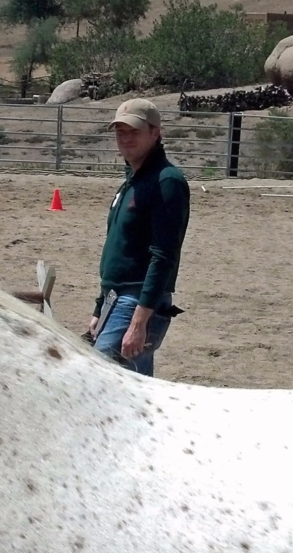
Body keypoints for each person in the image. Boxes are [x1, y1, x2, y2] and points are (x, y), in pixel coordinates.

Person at [87, 98, 190, 377]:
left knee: (100, 378)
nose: (126, 138)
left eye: (134, 131)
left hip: (136, 301)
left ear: (155, 132)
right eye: (120, 132)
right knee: (132, 389)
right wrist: (101, 307)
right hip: (118, 299)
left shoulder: (166, 182)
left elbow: (164, 255)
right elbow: (120, 251)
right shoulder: (132, 182)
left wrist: (139, 320)